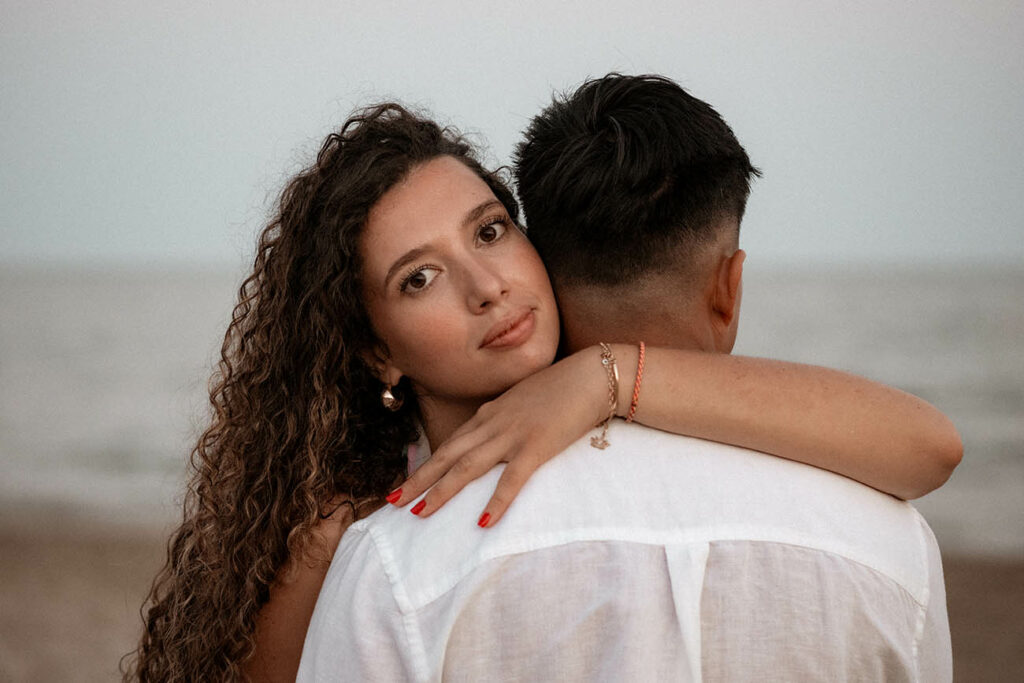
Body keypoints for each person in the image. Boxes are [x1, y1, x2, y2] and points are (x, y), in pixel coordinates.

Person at [126, 98, 959, 681]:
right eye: (420, 278)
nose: (486, 285)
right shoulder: (344, 542)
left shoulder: (614, 411)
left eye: (491, 230)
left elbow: (926, 444)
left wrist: (605, 380)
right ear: (377, 354)